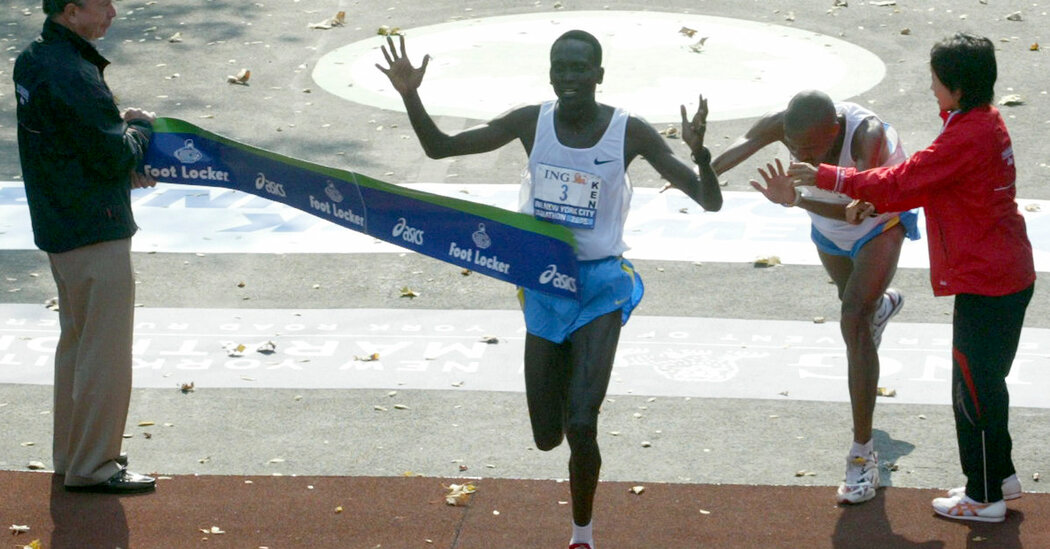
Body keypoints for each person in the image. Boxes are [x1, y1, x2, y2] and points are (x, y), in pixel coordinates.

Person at [377, 30, 722, 548]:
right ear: (550, 74)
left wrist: (700, 156)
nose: (569, 78)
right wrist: (410, 94)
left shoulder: (630, 132)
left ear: (599, 75)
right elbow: (439, 148)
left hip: (602, 285)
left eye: (579, 68)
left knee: (582, 425)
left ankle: (582, 534)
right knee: (547, 437)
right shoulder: (530, 122)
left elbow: (709, 201)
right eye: (560, 68)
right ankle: (570, 380)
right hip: (543, 283)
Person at [785, 33, 1035, 523]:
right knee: (987, 382)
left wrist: (828, 177)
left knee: (973, 389)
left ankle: (984, 498)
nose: (931, 89)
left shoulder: (967, 134)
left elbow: (906, 178)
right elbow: (925, 184)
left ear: (958, 87)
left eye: (936, 81)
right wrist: (877, 200)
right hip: (1003, 272)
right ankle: (1000, 475)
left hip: (989, 281)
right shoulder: (980, 122)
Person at [686, 89, 919, 504]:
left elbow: (858, 207)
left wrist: (795, 199)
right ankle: (879, 308)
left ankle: (862, 457)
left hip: (878, 221)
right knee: (855, 307)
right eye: (793, 147)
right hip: (827, 229)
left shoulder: (867, 137)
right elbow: (723, 163)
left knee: (852, 318)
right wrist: (698, 156)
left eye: (810, 150)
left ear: (834, 130)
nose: (800, 156)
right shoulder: (790, 123)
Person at [15, 0, 158, 493]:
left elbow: (69, 140)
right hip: (96, 229)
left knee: (76, 347)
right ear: (72, 11)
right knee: (104, 354)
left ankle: (72, 456)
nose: (114, 12)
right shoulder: (73, 71)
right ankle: (95, 465)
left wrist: (113, 141)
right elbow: (109, 151)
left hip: (61, 225)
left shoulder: (35, 57)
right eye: (103, 3)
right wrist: (138, 130)